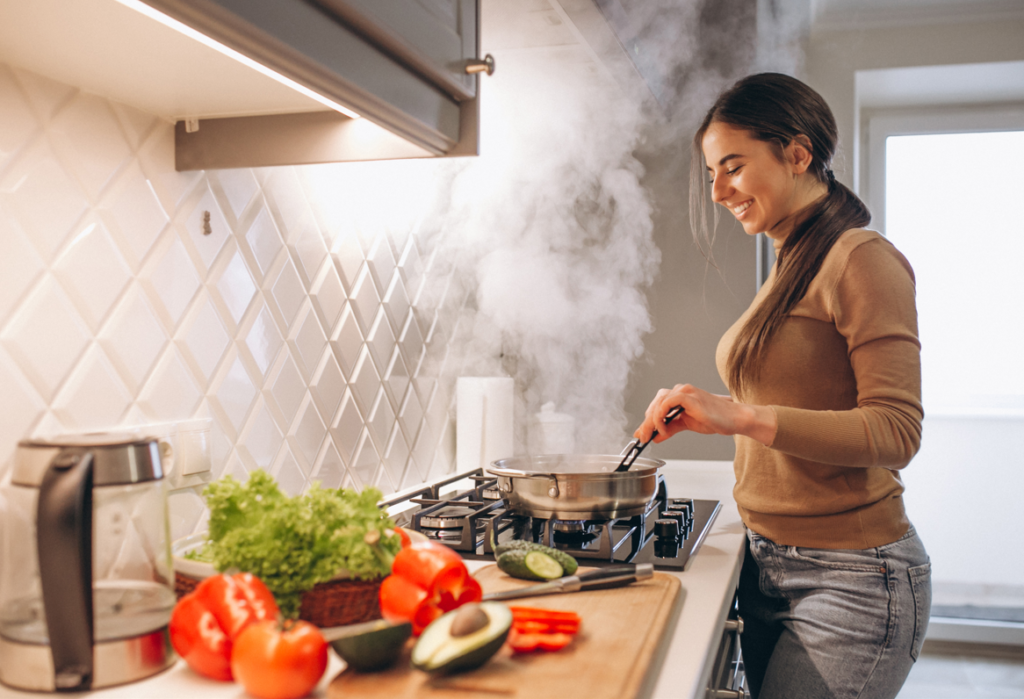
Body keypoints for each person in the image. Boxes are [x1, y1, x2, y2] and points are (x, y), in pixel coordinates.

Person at [634, 73, 931, 699]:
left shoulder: (861, 258)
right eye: (713, 173)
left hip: (852, 581)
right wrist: (718, 412)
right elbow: (800, 397)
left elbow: (896, 431)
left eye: (733, 168)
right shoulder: (790, 260)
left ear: (797, 154)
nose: (718, 191)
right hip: (770, 564)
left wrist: (739, 416)